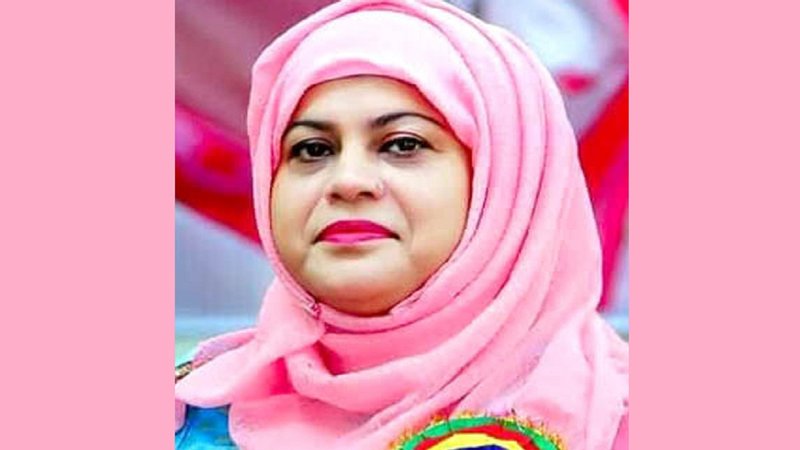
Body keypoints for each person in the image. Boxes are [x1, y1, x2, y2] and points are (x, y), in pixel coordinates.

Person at [175, 0, 628, 448]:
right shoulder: (188, 413)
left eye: (402, 144)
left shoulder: (616, 422)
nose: (348, 181)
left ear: (505, 179)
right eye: (312, 149)